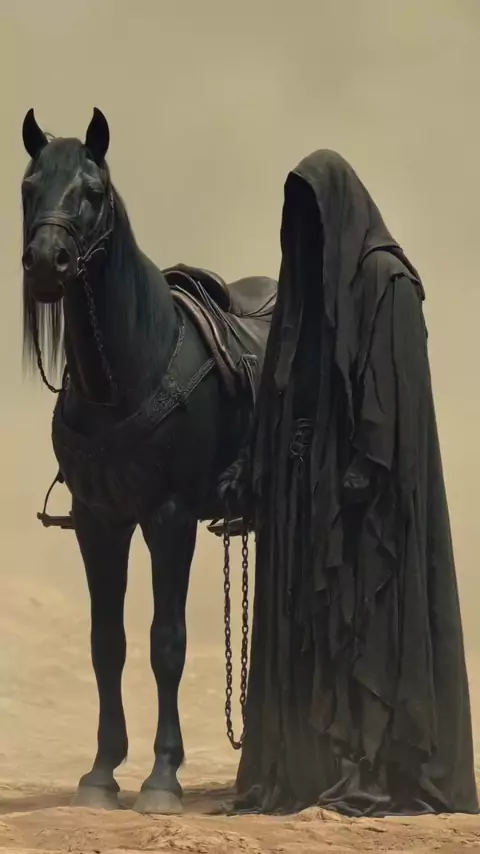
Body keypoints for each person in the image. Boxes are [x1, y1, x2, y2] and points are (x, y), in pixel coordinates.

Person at [228, 150, 479, 817]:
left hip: (367, 510)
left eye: (314, 217)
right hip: (308, 500)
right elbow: (282, 394)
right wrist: (259, 472)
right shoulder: (305, 295)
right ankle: (310, 766)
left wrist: (360, 467)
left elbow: (392, 406)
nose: (305, 234)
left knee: (363, 626)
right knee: (316, 629)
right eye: (296, 220)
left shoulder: (386, 284)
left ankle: (368, 766)